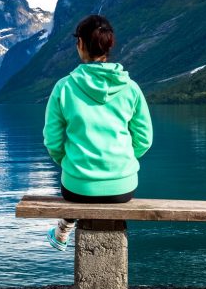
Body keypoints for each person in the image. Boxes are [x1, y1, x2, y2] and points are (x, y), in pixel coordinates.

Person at [42, 14, 153, 251]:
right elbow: (144, 138)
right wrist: (121, 162)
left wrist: (70, 162)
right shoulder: (131, 88)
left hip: (77, 187)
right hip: (122, 187)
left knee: (75, 191)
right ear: (110, 45)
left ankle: (63, 229)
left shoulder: (64, 87)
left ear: (80, 44)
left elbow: (52, 140)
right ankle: (64, 228)